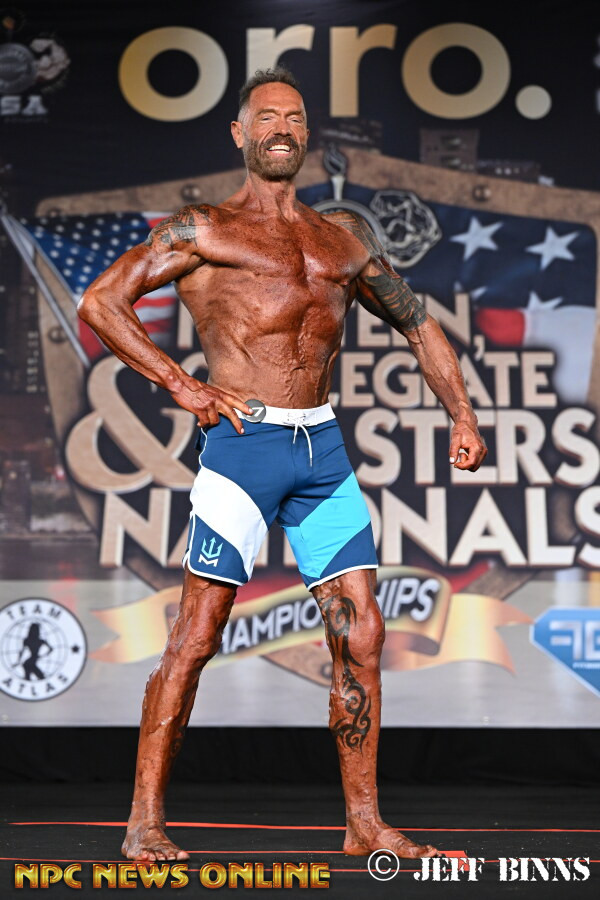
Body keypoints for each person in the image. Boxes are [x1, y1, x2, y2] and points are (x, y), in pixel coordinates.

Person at [78, 66, 487, 862]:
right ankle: (143, 823)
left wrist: (462, 414)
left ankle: (364, 823)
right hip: (244, 448)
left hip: (320, 450)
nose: (281, 128)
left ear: (307, 135)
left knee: (361, 630)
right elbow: (101, 301)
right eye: (266, 117)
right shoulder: (204, 228)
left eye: (294, 118)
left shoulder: (341, 240)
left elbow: (418, 323)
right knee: (198, 634)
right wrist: (181, 383)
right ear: (240, 134)